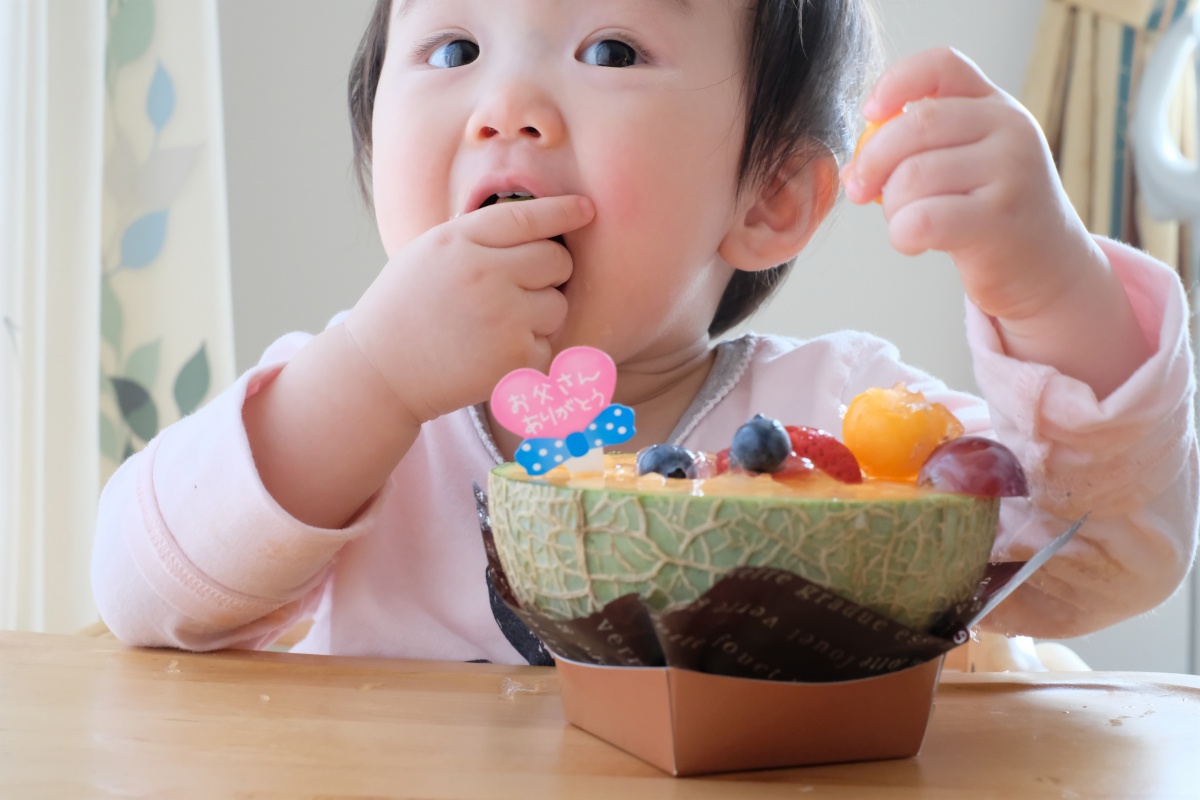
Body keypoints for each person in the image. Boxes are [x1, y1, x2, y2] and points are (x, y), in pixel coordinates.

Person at [92, 0, 1197, 662]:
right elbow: (142, 595)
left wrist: (1054, 287)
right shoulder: (351, 416)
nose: (505, 106)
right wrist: (372, 377)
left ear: (768, 197)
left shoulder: (845, 424)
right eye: (452, 47)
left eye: (610, 49)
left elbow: (1103, 557)